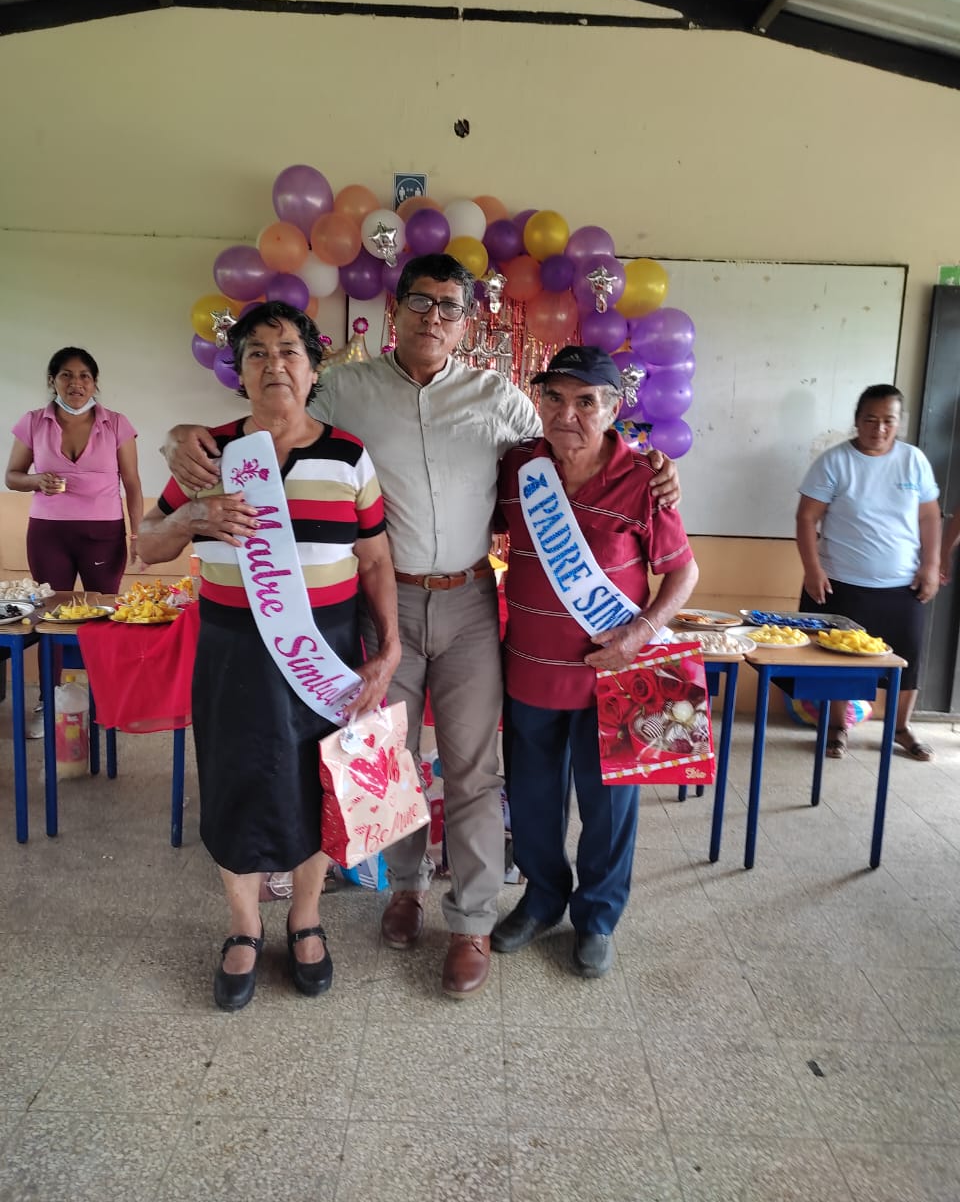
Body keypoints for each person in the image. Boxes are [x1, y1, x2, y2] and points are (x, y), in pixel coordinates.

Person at [163, 254, 681, 999]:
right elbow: (276, 406)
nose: (432, 317)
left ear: (466, 323)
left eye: (449, 306)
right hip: (385, 601)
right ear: (396, 309)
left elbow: (571, 442)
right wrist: (179, 434)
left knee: (473, 768)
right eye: (419, 302)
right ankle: (403, 889)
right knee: (389, 759)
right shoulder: (345, 389)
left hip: (470, 602)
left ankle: (471, 919)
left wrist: (654, 464)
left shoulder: (499, 397)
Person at [138, 301, 400, 1011]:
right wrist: (193, 515)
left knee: (317, 782)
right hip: (232, 651)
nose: (273, 365)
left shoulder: (348, 456)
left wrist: (388, 646)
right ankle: (244, 925)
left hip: (324, 651)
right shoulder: (208, 454)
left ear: (314, 370)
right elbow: (148, 543)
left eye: (289, 352)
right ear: (240, 372)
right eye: (257, 353)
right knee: (234, 780)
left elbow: (376, 561)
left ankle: (305, 918)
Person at [491, 345, 698, 977]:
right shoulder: (519, 468)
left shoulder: (644, 480)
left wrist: (641, 633)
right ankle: (542, 899)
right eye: (554, 398)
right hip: (530, 671)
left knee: (609, 808)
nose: (567, 414)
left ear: (612, 410)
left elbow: (683, 573)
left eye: (586, 402)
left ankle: (598, 916)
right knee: (532, 800)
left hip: (615, 677)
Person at [796, 383, 940, 761]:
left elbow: (929, 516)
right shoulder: (834, 462)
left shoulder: (913, 460)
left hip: (903, 584)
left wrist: (931, 565)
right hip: (842, 582)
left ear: (899, 422)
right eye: (871, 420)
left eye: (888, 420)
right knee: (840, 661)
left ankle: (900, 727)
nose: (879, 429)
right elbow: (807, 517)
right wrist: (812, 569)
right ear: (857, 421)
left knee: (907, 660)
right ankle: (837, 726)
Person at [6, 347, 143, 595]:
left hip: (104, 534)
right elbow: (12, 477)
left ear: (94, 382)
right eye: (66, 375)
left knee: (102, 604)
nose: (76, 383)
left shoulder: (116, 423)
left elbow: (132, 484)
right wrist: (36, 481)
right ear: (52, 380)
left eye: (84, 376)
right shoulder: (33, 421)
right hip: (48, 533)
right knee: (52, 606)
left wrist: (138, 536)